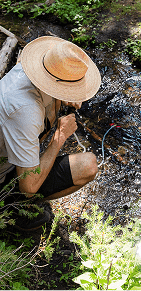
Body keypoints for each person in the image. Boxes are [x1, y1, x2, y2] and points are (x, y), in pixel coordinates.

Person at [0, 36, 101, 230]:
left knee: (88, 163)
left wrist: (66, 96)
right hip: (4, 177)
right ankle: (13, 213)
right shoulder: (25, 111)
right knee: (87, 166)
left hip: (11, 159)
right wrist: (60, 137)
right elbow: (28, 188)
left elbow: (39, 132)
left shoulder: (27, 70)